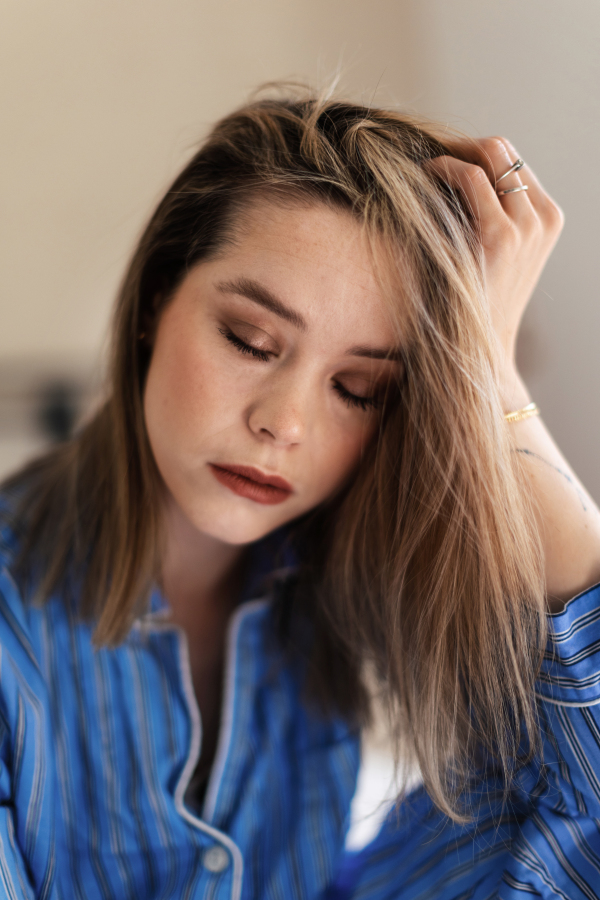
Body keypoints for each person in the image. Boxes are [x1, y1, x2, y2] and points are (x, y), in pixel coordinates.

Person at [1, 88, 599, 900]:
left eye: (357, 388)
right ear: (153, 304)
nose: (284, 423)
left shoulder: (336, 602)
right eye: (251, 341)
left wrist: (490, 374)